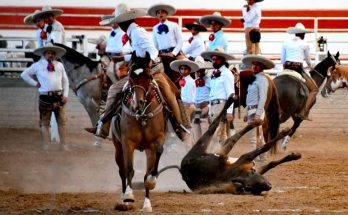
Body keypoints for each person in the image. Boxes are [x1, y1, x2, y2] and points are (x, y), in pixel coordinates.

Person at [86, 3, 190, 141]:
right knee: (116, 90)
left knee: (170, 95)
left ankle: (180, 126)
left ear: (122, 23)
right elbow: (139, 53)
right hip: (140, 70)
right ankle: (103, 125)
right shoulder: (134, 32)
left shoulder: (137, 33)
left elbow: (152, 51)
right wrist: (123, 57)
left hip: (153, 71)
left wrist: (148, 63)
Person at [20, 43, 69, 150]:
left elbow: (65, 80)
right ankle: (46, 145)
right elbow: (24, 74)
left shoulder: (59, 65)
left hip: (58, 96)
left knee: (62, 122)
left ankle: (64, 145)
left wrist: (65, 95)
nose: (50, 55)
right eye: (48, 53)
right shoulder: (37, 65)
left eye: (52, 53)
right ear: (44, 54)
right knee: (45, 122)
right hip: (45, 97)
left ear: (55, 55)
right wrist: (35, 84)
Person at [241, 54, 275, 163]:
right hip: (252, 109)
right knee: (258, 136)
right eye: (253, 65)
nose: (254, 67)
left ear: (262, 67)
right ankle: (262, 158)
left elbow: (263, 98)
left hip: (256, 110)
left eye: (257, 65)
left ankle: (252, 160)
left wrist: (257, 114)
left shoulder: (262, 79)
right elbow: (251, 98)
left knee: (253, 138)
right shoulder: (255, 79)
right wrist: (248, 112)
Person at [281, 22, 318, 121]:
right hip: (298, 69)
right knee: (314, 89)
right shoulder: (305, 44)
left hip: (286, 68)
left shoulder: (285, 43)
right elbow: (308, 60)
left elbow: (282, 60)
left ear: (295, 33)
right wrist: (311, 67)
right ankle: (303, 112)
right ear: (303, 34)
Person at [201, 49, 235, 144]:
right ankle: (222, 155)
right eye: (213, 59)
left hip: (221, 105)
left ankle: (219, 155)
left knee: (217, 134)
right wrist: (209, 110)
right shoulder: (214, 74)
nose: (214, 61)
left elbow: (231, 93)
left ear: (223, 60)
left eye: (216, 59)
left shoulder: (227, 73)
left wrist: (229, 111)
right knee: (220, 134)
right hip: (214, 106)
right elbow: (212, 93)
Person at [170, 59, 198, 149]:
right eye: (181, 69)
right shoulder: (184, 80)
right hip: (184, 105)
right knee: (186, 128)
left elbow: (190, 98)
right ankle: (190, 146)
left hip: (188, 106)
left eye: (185, 69)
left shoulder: (190, 81)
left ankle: (190, 147)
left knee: (186, 129)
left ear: (189, 70)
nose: (183, 71)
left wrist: (188, 108)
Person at [192, 56, 211, 141]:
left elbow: (214, 95)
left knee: (205, 131)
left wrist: (208, 107)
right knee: (196, 130)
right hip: (195, 108)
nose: (198, 72)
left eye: (201, 70)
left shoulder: (209, 80)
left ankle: (206, 150)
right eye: (197, 70)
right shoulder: (193, 82)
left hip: (204, 107)